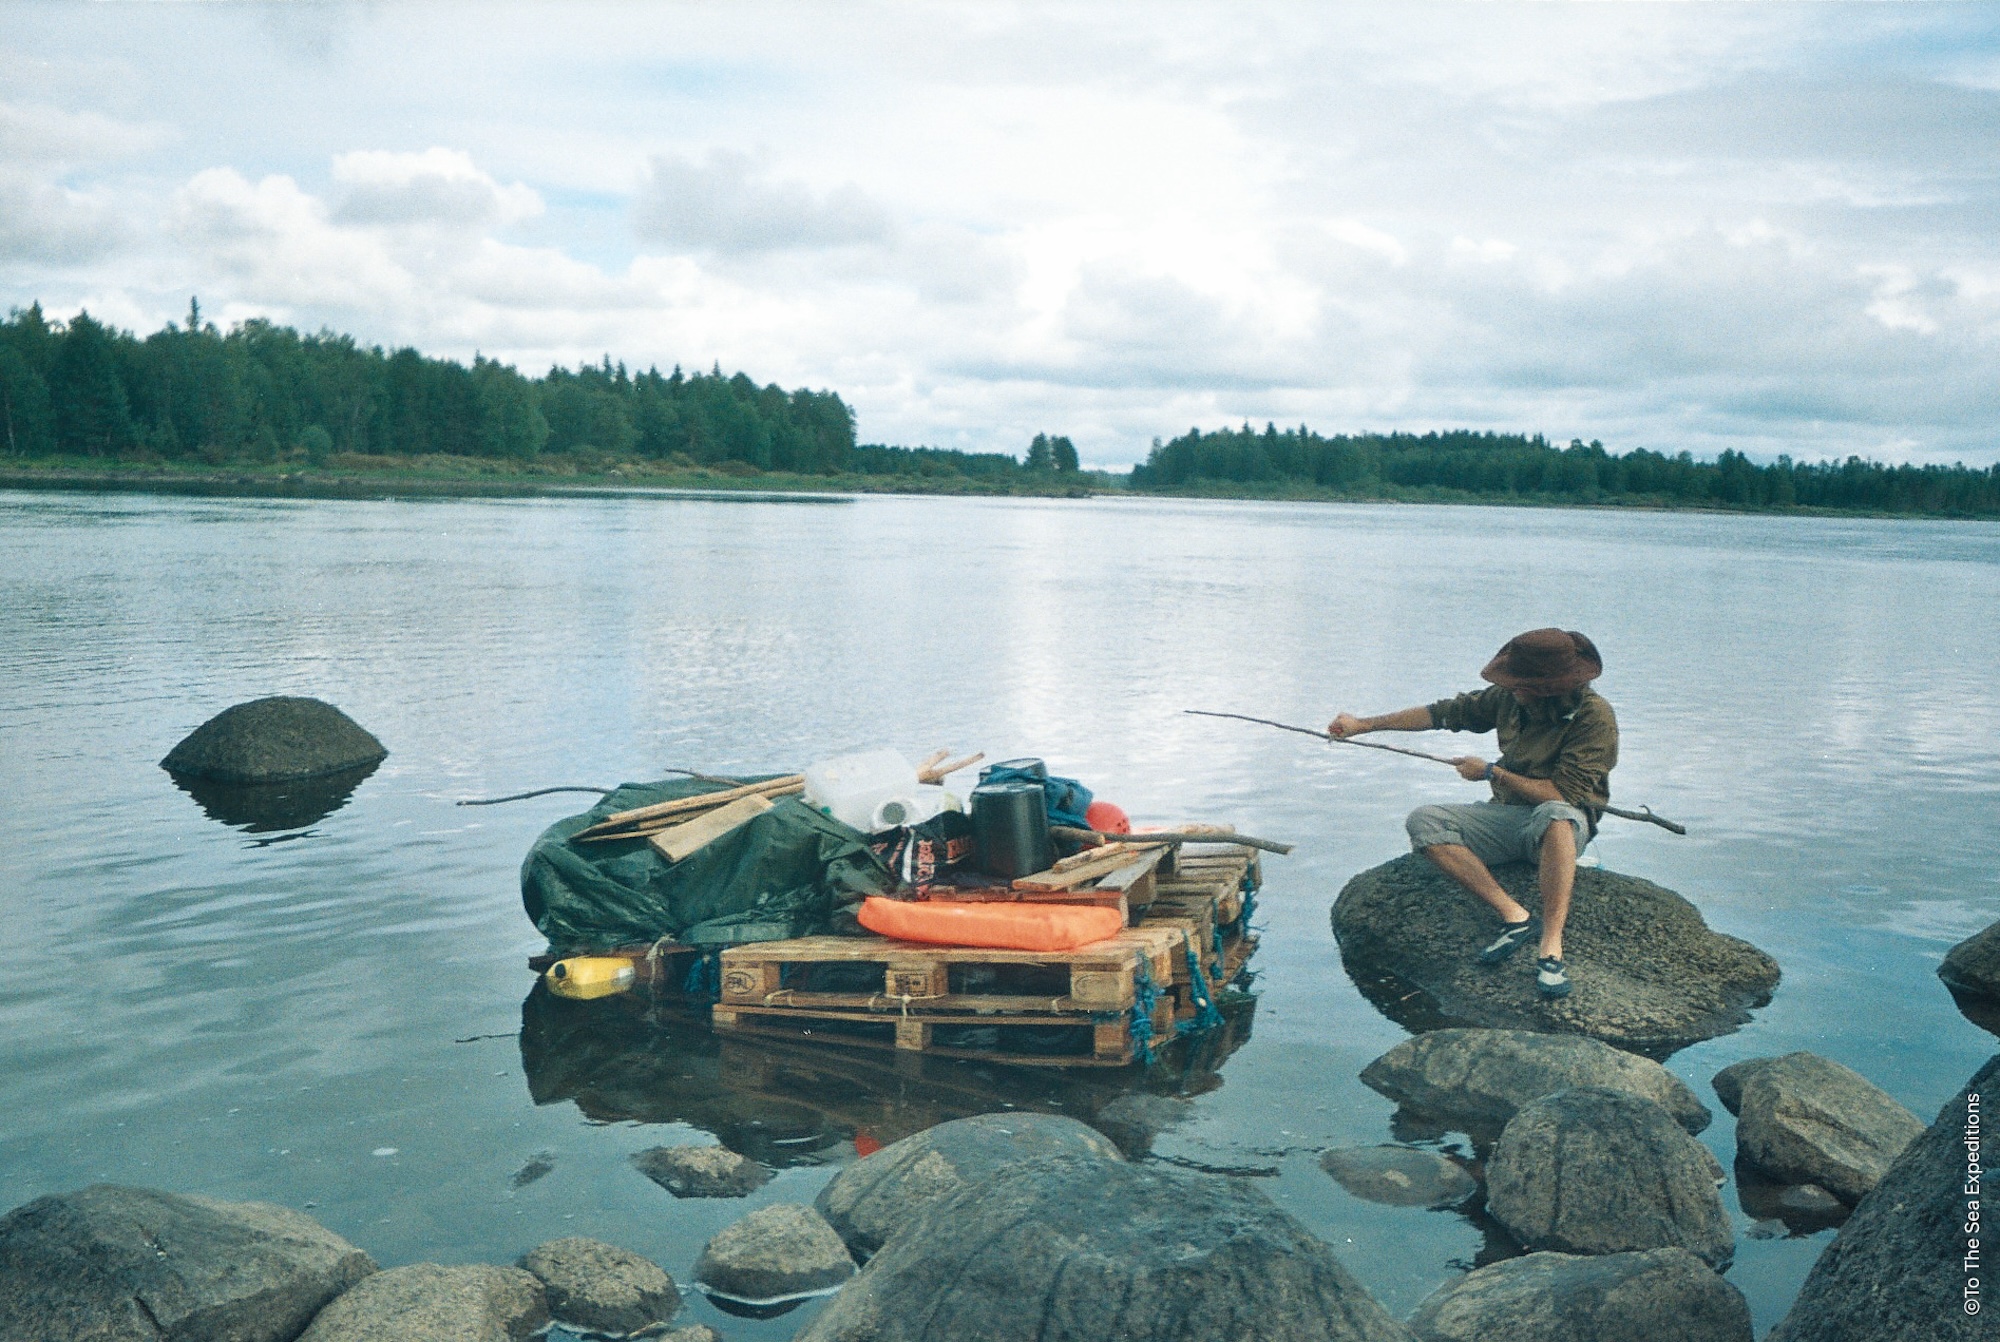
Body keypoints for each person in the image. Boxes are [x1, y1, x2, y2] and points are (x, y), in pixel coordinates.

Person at [1328, 628, 1617, 1000]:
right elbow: (1443, 713)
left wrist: (1490, 772)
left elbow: (1563, 793)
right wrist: (1364, 725)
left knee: (1556, 814)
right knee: (1426, 821)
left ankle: (1551, 946)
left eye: (1521, 683)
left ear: (1550, 687)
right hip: (1508, 818)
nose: (1513, 689)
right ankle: (1515, 916)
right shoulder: (1510, 699)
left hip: (1563, 826)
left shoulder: (1595, 717)